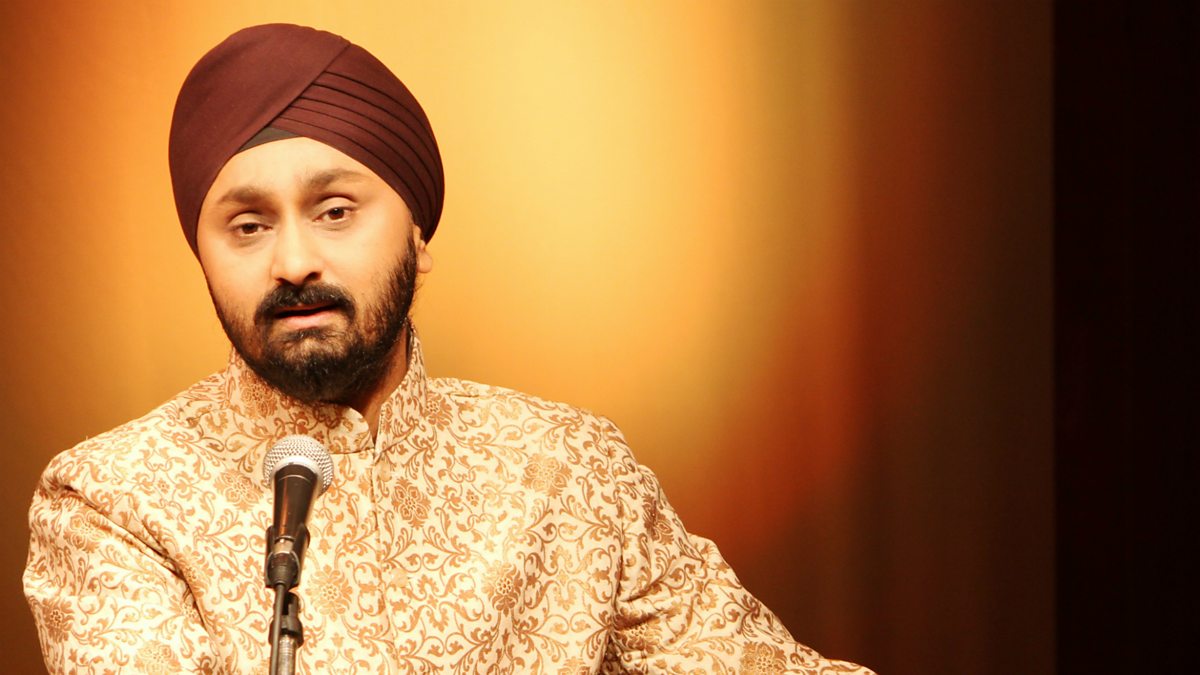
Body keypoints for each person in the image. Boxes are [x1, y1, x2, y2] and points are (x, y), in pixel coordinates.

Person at [23, 24, 872, 674]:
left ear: (417, 238)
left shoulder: (570, 472)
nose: (293, 261)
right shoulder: (113, 500)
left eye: (335, 211)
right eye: (248, 225)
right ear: (203, 255)